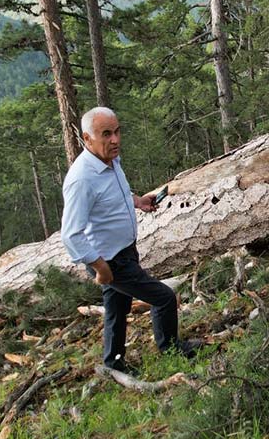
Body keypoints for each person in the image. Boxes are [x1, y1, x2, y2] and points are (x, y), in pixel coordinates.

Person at [61, 106, 202, 374]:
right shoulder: (81, 179)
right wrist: (101, 267)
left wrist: (137, 201)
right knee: (163, 297)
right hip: (110, 260)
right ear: (87, 138)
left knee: (117, 307)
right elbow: (71, 235)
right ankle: (170, 349)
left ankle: (113, 363)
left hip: (123, 251)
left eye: (116, 132)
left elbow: (114, 195)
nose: (114, 140)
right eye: (106, 134)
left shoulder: (110, 161)